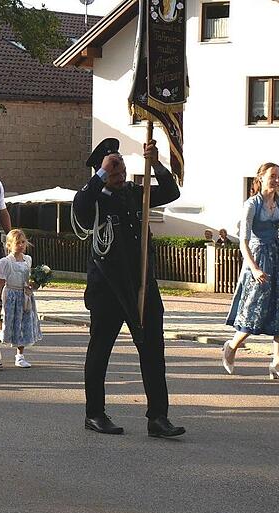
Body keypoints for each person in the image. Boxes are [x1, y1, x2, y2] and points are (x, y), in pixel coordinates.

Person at [72, 138, 185, 438]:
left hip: (141, 284)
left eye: (121, 168)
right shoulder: (94, 198)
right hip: (107, 287)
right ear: (101, 172)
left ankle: (158, 417)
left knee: (153, 351)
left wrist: (157, 164)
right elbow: (80, 209)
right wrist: (101, 174)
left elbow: (171, 192)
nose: (120, 174)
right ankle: (95, 414)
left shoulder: (135, 193)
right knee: (100, 351)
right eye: (113, 170)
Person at [222, 162, 279, 382]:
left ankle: (277, 364)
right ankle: (232, 346)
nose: (277, 180)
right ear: (261, 178)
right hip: (259, 259)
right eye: (273, 176)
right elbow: (243, 241)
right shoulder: (252, 205)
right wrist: (254, 268)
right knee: (254, 310)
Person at [0, 229, 42, 368]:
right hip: (11, 295)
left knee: (24, 324)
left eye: (23, 242)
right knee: (9, 324)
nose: (21, 245)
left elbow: (28, 278)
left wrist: (35, 284)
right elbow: (0, 282)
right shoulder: (5, 261)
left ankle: (20, 356)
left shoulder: (27, 259)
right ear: (9, 245)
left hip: (25, 295)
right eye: (17, 243)